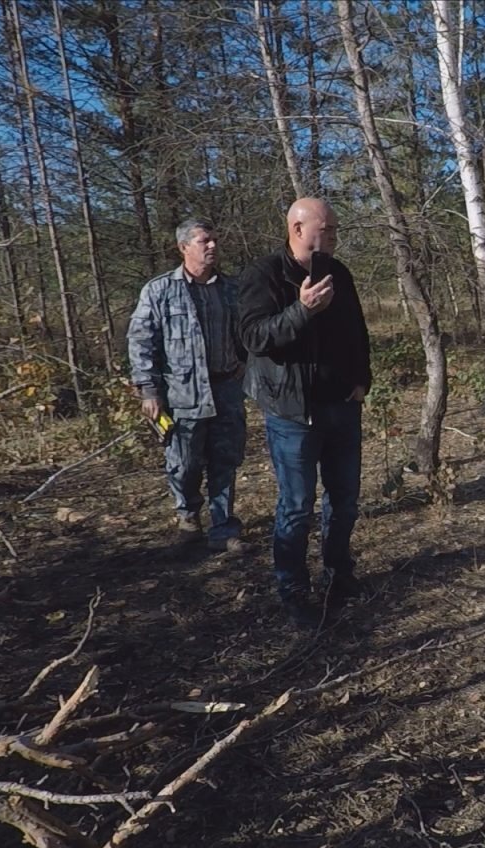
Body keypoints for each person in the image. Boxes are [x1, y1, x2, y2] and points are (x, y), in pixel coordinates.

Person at [238, 198, 372, 630]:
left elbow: (357, 331)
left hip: (341, 406)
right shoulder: (263, 275)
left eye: (335, 227)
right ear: (298, 229)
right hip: (292, 413)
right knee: (296, 507)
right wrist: (302, 310)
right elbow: (255, 337)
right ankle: (293, 588)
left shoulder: (340, 271)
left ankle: (338, 572)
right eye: (327, 228)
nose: (334, 235)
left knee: (345, 500)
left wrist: (362, 380)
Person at [127, 218, 249, 553]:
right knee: (184, 462)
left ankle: (223, 528)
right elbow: (140, 341)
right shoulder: (160, 291)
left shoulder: (232, 289)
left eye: (214, 241)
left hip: (226, 389)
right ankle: (188, 516)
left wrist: (245, 363)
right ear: (184, 247)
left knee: (225, 460)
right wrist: (149, 390)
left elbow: (249, 332)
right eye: (204, 241)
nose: (212, 247)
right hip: (182, 394)